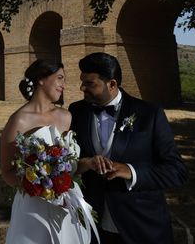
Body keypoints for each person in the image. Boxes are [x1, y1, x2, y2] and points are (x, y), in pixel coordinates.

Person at [69, 52, 188, 244]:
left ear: (112, 84)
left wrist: (131, 172)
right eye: (83, 81)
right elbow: (69, 159)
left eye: (90, 83)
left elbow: (176, 171)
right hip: (92, 225)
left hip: (140, 225)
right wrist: (84, 163)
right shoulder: (76, 111)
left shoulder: (149, 114)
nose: (82, 87)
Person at [1, 59, 95, 244]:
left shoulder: (66, 116)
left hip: (67, 202)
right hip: (33, 206)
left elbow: (71, 163)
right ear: (41, 79)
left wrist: (86, 165)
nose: (64, 85)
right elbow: (7, 172)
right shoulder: (18, 121)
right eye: (60, 78)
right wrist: (38, 186)